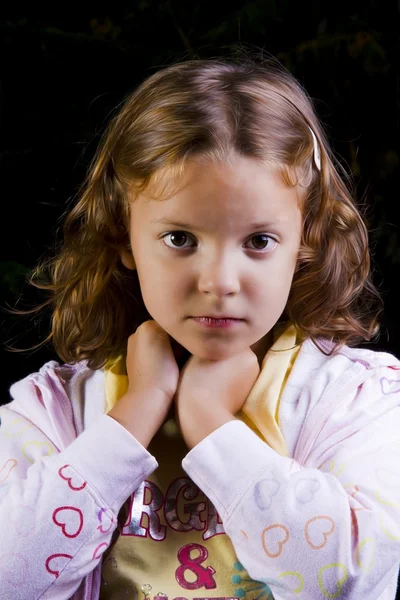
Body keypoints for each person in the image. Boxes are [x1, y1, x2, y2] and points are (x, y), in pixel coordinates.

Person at [1, 52, 400, 600]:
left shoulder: (359, 400)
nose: (219, 281)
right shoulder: (53, 411)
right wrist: (135, 413)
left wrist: (211, 422)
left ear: (303, 242)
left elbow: (351, 581)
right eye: (180, 239)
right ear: (123, 237)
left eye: (258, 241)